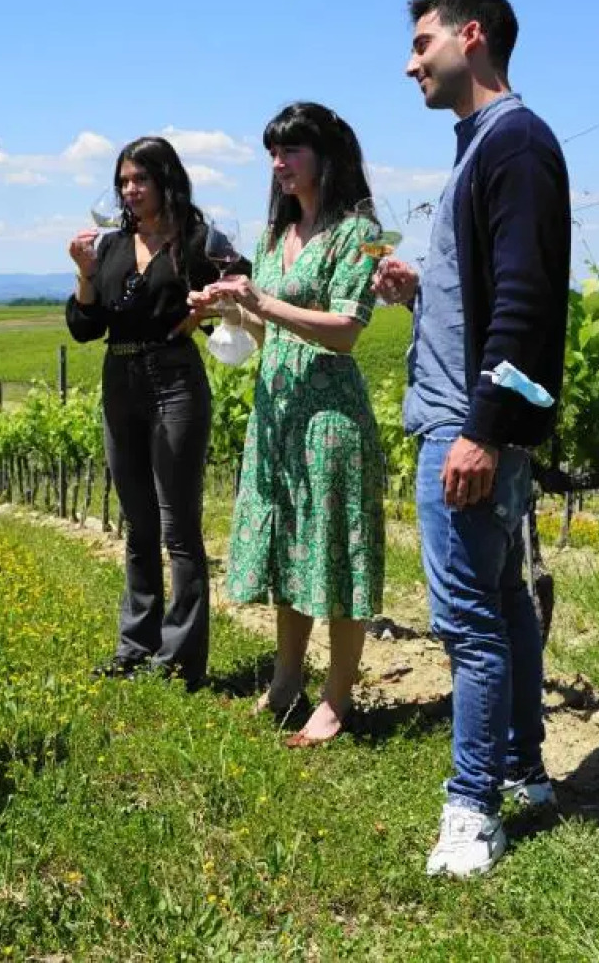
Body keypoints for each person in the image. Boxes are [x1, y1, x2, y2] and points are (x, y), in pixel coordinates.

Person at [372, 0, 571, 878]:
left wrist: (483, 430)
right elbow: (492, 290)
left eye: (422, 42)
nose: (411, 61)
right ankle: (524, 769)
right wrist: (422, 293)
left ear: (472, 36)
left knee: (467, 623)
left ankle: (471, 807)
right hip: (469, 409)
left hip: (466, 421)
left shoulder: (514, 142)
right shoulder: (484, 147)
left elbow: (527, 300)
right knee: (503, 605)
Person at [190, 102, 386, 748]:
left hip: (328, 418)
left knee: (333, 555)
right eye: (272, 153)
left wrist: (262, 300)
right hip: (277, 415)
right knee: (290, 553)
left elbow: (347, 331)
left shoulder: (359, 232)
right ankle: (283, 683)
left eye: (290, 151)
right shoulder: (276, 238)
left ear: (326, 157)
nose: (278, 164)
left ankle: (335, 700)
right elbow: (260, 326)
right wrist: (223, 311)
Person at [65, 136, 247, 692]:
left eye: (139, 179)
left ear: (166, 181)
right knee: (137, 524)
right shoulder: (113, 245)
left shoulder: (198, 240)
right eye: (123, 181)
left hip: (174, 380)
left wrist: (208, 312)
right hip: (119, 380)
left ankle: (182, 658)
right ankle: (135, 646)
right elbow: (84, 327)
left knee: (178, 525)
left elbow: (239, 291)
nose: (129, 190)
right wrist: (84, 274)